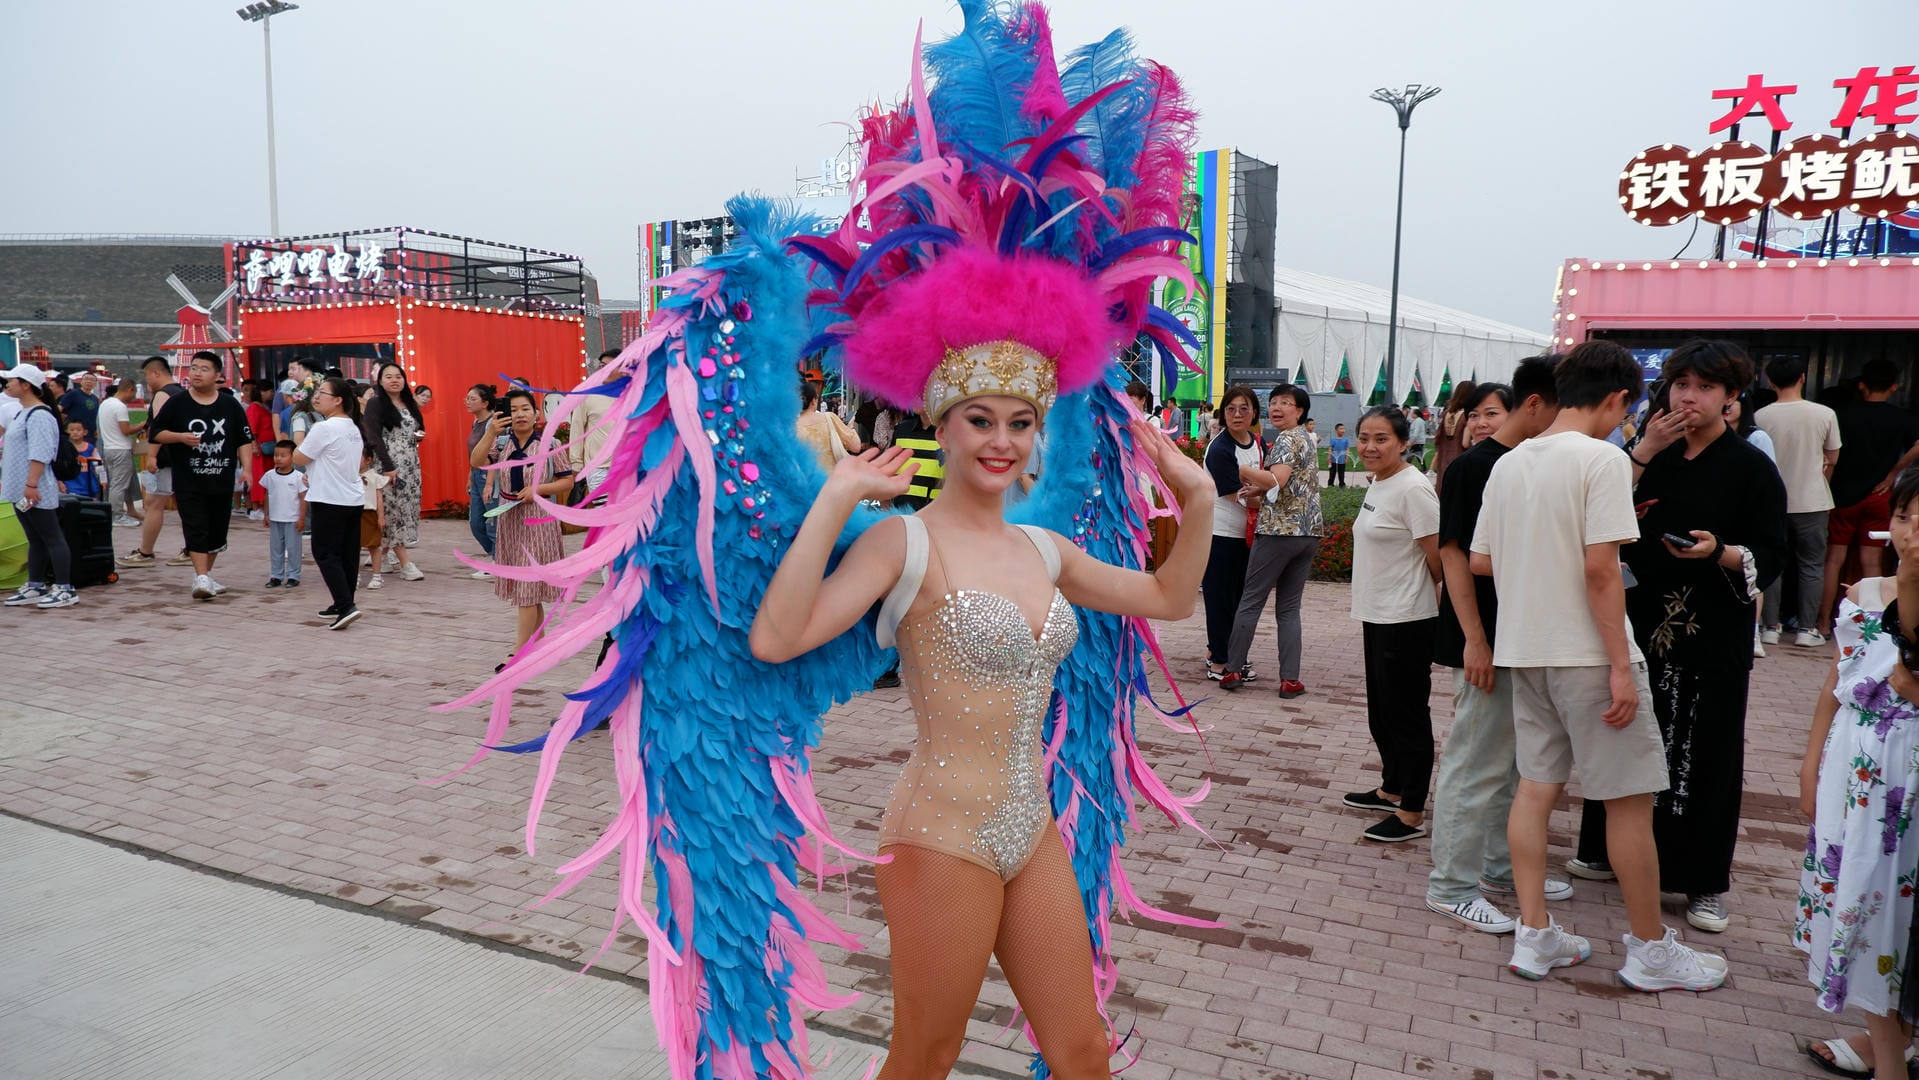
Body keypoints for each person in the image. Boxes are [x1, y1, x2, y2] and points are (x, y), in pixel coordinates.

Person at [750, 385, 1214, 1079]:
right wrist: (838, 495)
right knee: (927, 1055)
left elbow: (1168, 598)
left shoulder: (1042, 548)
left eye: (1020, 424)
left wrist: (1199, 498)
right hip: (941, 833)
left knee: (1081, 1051)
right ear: (940, 428)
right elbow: (776, 637)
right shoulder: (901, 542)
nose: (1002, 440)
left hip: (1030, 829)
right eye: (980, 421)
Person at [1471, 338, 1727, 990]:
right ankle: (1648, 949)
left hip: (1523, 651)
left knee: (1534, 791)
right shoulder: (1601, 462)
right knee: (1626, 803)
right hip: (1587, 655)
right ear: (1617, 398)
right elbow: (1599, 571)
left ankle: (1534, 936)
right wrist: (1619, 664)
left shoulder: (1509, 461)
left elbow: (1483, 560)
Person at [1567, 341, 1786, 936]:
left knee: (1705, 750)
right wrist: (1644, 451)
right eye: (1680, 383)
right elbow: (1601, 514)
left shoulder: (1751, 468)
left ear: (1732, 397)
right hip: (1639, 624)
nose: (1689, 397)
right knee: (1624, 732)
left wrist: (1722, 552)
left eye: (1705, 387)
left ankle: (1704, 881)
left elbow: (1771, 552)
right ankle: (1605, 853)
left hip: (1711, 632)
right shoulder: (1650, 455)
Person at [1426, 364, 1570, 934]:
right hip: (1488, 636)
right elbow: (1454, 556)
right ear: (1535, 405)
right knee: (1476, 760)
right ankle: (1451, 885)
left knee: (1514, 762)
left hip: (1524, 634)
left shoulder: (1525, 464)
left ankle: (1497, 866)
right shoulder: (1473, 468)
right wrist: (1475, 642)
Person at [1796, 465, 1919, 1080]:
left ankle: (1891, 1054)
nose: (1908, 532)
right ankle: (1885, 1044)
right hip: (1859, 768)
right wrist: (1812, 761)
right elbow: (1836, 684)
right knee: (1862, 899)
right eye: (1902, 515)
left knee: (1889, 911)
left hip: (1906, 778)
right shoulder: (1865, 595)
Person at [1343, 406, 1441, 843]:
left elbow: (1438, 559)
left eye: (1381, 439)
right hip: (1377, 612)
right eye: (1365, 437)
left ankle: (1412, 812)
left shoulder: (1414, 489)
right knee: (1382, 711)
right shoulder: (1381, 483)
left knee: (1407, 716)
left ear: (1404, 442)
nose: (1369, 447)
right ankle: (1391, 787)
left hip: (1407, 618)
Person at [1220, 384, 1321, 697]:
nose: (1277, 407)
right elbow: (1290, 485)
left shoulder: (1287, 438)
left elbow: (1279, 479)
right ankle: (1290, 679)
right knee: (1289, 608)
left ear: (1299, 410)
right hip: (1309, 533)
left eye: (1285, 403)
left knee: (1250, 602)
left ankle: (1232, 669)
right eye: (1273, 402)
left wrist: (1245, 470)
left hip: (1278, 532)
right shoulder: (1307, 438)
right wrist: (1261, 491)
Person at [472, 388, 575, 665]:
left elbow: (568, 481)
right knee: (525, 585)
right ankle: (539, 642)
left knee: (529, 587)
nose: (519, 414)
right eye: (514, 409)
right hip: (509, 520)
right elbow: (476, 461)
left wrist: (538, 489)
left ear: (536, 414)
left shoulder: (550, 444)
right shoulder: (502, 442)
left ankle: (517, 654)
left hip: (538, 520)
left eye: (525, 409)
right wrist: (490, 432)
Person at [145, 351, 255, 600]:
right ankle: (201, 577)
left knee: (217, 532)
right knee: (196, 526)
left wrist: (247, 470)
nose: (196, 372)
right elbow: (156, 432)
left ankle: (204, 575)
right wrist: (180, 438)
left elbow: (244, 439)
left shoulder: (230, 405)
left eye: (204, 369)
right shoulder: (177, 403)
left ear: (218, 376)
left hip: (222, 479)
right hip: (188, 480)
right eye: (193, 368)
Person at [1823, 358, 1919, 642]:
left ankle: (1822, 624)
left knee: (1833, 561)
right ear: (1894, 387)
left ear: (1862, 385)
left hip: (1841, 496)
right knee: (1872, 563)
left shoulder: (1841, 414)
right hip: (1879, 497)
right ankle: (1874, 629)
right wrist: (1893, 473)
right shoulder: (1901, 417)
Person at [1756, 356, 1841, 647]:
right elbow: (1832, 457)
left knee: (1773, 564)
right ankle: (1807, 630)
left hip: (1773, 503)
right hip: (1813, 501)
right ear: (1803, 378)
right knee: (1812, 565)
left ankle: (1770, 627)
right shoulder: (1824, 414)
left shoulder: (1761, 416)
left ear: (1770, 381)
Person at [0, 364, 77, 609]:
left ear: (26, 385)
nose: (7, 385)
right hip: (19, 487)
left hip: (33, 488)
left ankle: (65, 588)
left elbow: (41, 453)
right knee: (35, 538)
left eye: (11, 381)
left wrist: (31, 483)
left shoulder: (40, 415)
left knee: (51, 536)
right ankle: (35, 583)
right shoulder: (23, 412)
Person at [291, 378, 365, 629]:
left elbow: (298, 456)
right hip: (352, 498)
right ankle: (342, 601)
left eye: (323, 393)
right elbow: (340, 462)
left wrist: (307, 461)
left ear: (338, 400)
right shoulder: (352, 427)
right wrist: (314, 472)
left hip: (329, 498)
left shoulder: (324, 428)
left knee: (325, 552)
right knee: (347, 553)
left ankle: (345, 606)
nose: (317, 396)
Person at [1200, 387, 1263, 681]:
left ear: (1254, 413)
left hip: (1246, 535)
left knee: (1239, 598)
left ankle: (1223, 652)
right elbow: (1235, 495)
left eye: (1244, 408)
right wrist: (1275, 499)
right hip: (1219, 533)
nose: (1237, 414)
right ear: (1223, 414)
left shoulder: (1256, 443)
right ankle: (1220, 662)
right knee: (1219, 598)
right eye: (1231, 409)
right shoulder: (1220, 448)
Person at [118, 356, 192, 570]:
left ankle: (146, 552)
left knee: (153, 504)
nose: (147, 380)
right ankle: (190, 548)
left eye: (147, 375)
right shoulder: (182, 392)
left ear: (156, 373)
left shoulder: (163, 394)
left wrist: (152, 456)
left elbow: (158, 428)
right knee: (182, 504)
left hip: (165, 457)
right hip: (181, 455)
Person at [362, 361, 426, 581]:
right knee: (392, 511)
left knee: (405, 508)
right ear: (380, 381)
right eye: (388, 376)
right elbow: (373, 436)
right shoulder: (376, 403)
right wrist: (389, 467)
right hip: (386, 465)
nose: (394, 380)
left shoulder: (409, 402)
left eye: (398, 376)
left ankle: (384, 555)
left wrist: (419, 437)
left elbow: (418, 429)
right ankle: (405, 563)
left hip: (411, 464)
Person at [257, 440, 307, 588]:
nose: (278, 458)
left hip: (292, 519)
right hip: (275, 518)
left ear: (292, 457)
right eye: (276, 455)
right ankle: (276, 576)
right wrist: (266, 514)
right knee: (276, 549)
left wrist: (301, 518)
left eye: (283, 455)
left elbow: (303, 498)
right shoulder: (270, 475)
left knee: (293, 549)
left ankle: (293, 575)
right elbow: (267, 495)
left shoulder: (298, 477)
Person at [464, 383, 500, 574]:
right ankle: (499, 556)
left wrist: (489, 484)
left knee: (493, 520)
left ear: (485, 403)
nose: (467, 402)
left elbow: (495, 455)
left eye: (472, 399)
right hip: (477, 474)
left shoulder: (492, 423)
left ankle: (498, 560)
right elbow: (474, 454)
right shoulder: (475, 422)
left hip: (490, 475)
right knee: (476, 523)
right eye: (467, 398)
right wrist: (471, 476)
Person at [98, 378, 140, 526]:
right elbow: (126, 430)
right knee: (119, 485)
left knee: (114, 483)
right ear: (130, 390)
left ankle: (115, 513)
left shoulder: (105, 404)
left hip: (109, 448)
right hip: (121, 450)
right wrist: (144, 424)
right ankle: (117, 516)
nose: (133, 398)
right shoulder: (119, 406)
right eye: (133, 393)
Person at [795, 379, 860, 472]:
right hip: (831, 481)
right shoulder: (829, 417)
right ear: (813, 400)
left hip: (804, 483)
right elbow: (856, 447)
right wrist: (850, 427)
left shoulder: (789, 427)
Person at [1432, 380, 1477, 493]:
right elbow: (1465, 443)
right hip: (1460, 461)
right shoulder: (1468, 415)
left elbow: (1437, 440)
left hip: (1444, 461)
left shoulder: (1446, 413)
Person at [242, 380, 275, 520]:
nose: (271, 394)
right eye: (269, 391)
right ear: (261, 392)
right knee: (258, 477)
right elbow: (251, 429)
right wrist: (254, 446)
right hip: (259, 450)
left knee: (265, 476)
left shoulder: (264, 407)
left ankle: (263, 506)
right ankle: (256, 507)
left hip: (266, 450)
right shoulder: (254, 408)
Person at [358, 447, 390, 590]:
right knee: (353, 547)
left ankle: (377, 576)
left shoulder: (375, 477)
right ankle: (354, 576)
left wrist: (381, 517)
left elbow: (379, 498)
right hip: (353, 514)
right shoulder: (348, 476)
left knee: (374, 546)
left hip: (370, 514)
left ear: (368, 460)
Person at [60, 418, 101, 499]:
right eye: (72, 430)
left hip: (89, 485)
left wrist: (103, 480)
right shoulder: (64, 449)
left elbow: (99, 465)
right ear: (67, 432)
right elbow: (58, 468)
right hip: (70, 486)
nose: (75, 432)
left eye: (78, 430)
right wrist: (60, 482)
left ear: (85, 432)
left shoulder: (91, 449)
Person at [58, 370, 99, 440]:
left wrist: (96, 430)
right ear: (81, 381)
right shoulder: (73, 393)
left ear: (95, 383)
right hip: (75, 433)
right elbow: (59, 408)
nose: (89, 381)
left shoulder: (95, 398)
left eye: (92, 380)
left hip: (90, 434)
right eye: (86, 379)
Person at [1326, 422, 1350, 487]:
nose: (1343, 430)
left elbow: (1347, 449)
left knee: (1341, 473)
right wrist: (1329, 457)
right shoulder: (1333, 440)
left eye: (1343, 429)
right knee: (1332, 473)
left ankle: (1342, 485)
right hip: (1333, 460)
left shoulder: (1346, 440)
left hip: (1342, 460)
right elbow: (1330, 449)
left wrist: (1347, 457)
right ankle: (1330, 485)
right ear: (1336, 430)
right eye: (1341, 429)